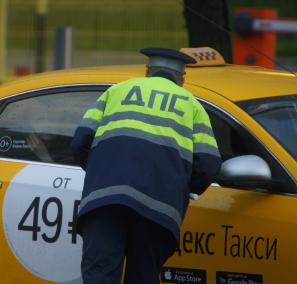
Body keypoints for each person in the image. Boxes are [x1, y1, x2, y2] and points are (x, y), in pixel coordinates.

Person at [71, 47, 222, 284]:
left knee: (99, 275)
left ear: (147, 72)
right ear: (182, 79)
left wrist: (103, 171)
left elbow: (80, 143)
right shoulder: (192, 106)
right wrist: (178, 185)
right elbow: (208, 166)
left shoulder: (116, 91)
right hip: (159, 208)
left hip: (105, 199)